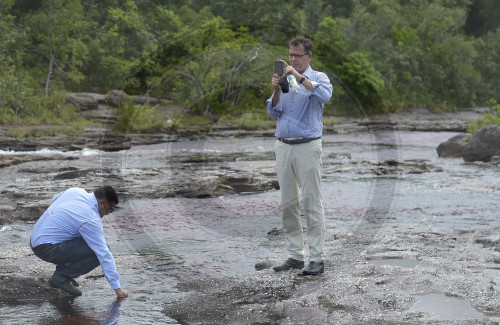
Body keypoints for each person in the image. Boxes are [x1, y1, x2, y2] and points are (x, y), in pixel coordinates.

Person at [266, 37, 333, 275]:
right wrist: (276, 89)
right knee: (288, 204)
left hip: (308, 146)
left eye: (297, 55)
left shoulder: (319, 78)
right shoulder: (285, 81)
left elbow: (324, 96)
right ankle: (295, 256)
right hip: (283, 145)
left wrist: (300, 77)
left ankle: (317, 258)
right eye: (290, 55)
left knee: (312, 202)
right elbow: (274, 111)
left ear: (308, 57)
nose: (292, 59)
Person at [30, 186, 128, 298]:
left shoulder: (76, 191)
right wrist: (117, 289)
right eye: (109, 209)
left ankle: (66, 272)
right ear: (101, 203)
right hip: (46, 248)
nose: (107, 214)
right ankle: (60, 277)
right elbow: (104, 254)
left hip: (34, 239)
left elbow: (55, 199)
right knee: (98, 251)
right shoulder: (90, 219)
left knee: (84, 238)